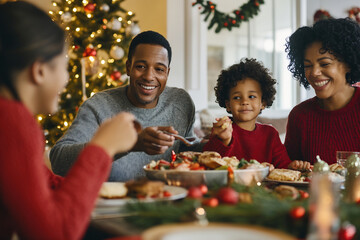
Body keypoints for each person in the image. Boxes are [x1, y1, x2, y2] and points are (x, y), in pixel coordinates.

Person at [0, 2, 138, 239]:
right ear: (39, 70)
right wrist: (103, 147)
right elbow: (55, 234)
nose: (66, 79)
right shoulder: (13, 122)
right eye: (65, 65)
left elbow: (45, 186)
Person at [50, 30, 201, 181]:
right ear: (128, 67)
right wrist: (131, 143)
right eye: (141, 66)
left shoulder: (180, 102)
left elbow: (187, 151)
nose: (149, 76)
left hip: (169, 200)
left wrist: (218, 141)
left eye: (159, 69)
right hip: (114, 202)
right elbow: (59, 160)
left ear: (167, 73)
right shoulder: (98, 106)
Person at [203, 58, 310, 170]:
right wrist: (224, 140)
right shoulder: (223, 131)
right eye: (237, 97)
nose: (244, 101)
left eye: (252, 96)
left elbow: (283, 166)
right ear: (228, 104)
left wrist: (294, 166)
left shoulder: (270, 134)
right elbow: (209, 161)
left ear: (262, 103)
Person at [285, 18, 360, 165]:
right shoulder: (299, 116)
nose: (314, 72)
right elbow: (289, 171)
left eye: (324, 63)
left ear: (349, 64)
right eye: (307, 65)